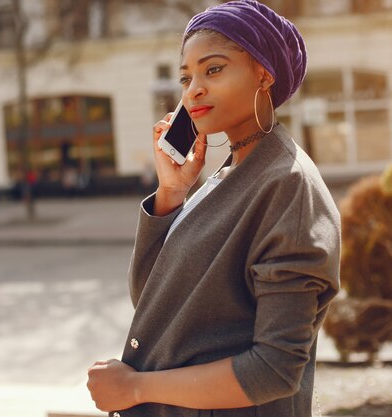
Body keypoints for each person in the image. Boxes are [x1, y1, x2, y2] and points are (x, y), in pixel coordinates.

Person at [87, 1, 340, 416]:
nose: (193, 90)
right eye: (186, 77)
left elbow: (274, 370)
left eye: (214, 69)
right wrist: (171, 195)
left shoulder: (286, 186)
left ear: (263, 74)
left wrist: (133, 388)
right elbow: (156, 303)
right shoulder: (229, 172)